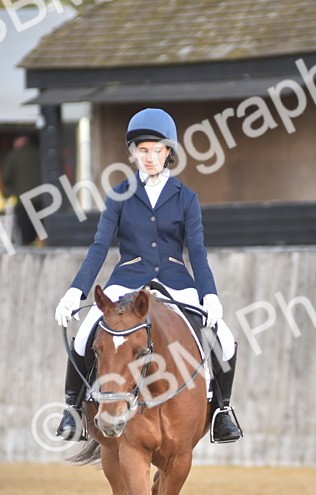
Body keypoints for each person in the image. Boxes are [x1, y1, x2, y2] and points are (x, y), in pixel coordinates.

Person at [52, 108, 243, 444]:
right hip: (127, 280)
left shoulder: (186, 197)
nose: (150, 157)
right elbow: (99, 246)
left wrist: (209, 294)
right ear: (133, 153)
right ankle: (73, 410)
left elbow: (196, 250)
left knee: (224, 341)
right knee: (84, 337)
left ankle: (221, 412)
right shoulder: (119, 195)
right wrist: (75, 292)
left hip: (176, 282)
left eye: (157, 150)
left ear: (169, 152)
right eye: (142, 150)